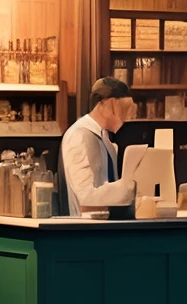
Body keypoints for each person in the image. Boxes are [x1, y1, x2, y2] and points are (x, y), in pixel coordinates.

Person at [59, 77, 137, 218]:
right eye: (121, 109)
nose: (125, 117)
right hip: (84, 229)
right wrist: (128, 187)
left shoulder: (104, 138)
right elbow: (86, 196)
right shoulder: (80, 135)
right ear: (104, 104)